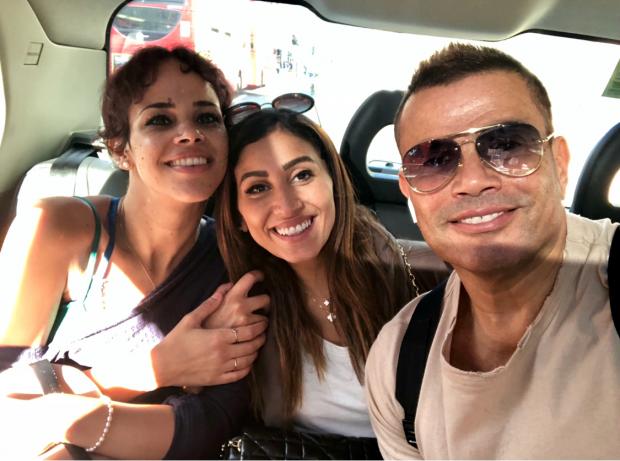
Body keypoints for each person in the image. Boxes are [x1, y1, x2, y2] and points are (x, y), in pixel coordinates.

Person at [0, 46, 269, 459]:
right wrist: (160, 367)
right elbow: (7, 396)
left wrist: (54, 409)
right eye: (160, 119)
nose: (190, 134)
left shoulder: (235, 261)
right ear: (119, 149)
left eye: (207, 118)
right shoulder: (54, 227)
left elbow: (210, 423)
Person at [364, 42, 620, 459]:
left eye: (507, 144)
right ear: (408, 190)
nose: (473, 181)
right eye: (433, 159)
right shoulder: (397, 362)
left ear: (559, 163)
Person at [215, 105, 443, 439]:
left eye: (302, 175)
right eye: (258, 188)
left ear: (332, 180)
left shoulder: (408, 273)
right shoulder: (240, 306)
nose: (288, 206)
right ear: (238, 216)